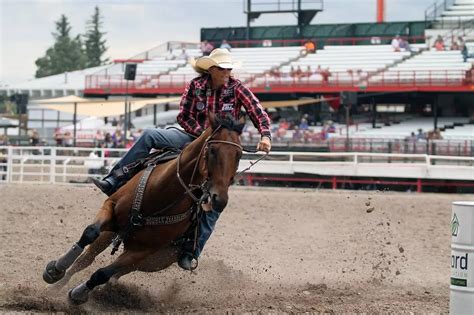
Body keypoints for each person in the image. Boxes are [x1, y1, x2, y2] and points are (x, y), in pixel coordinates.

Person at [91, 48, 272, 271]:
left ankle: (191, 250)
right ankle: (116, 178)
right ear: (212, 70)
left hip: (218, 150)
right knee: (150, 136)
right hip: (190, 139)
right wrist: (202, 136)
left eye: (229, 69)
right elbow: (183, 117)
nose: (228, 72)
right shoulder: (196, 86)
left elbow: (257, 111)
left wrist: (265, 135)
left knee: (216, 203)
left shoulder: (237, 89)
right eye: (224, 69)